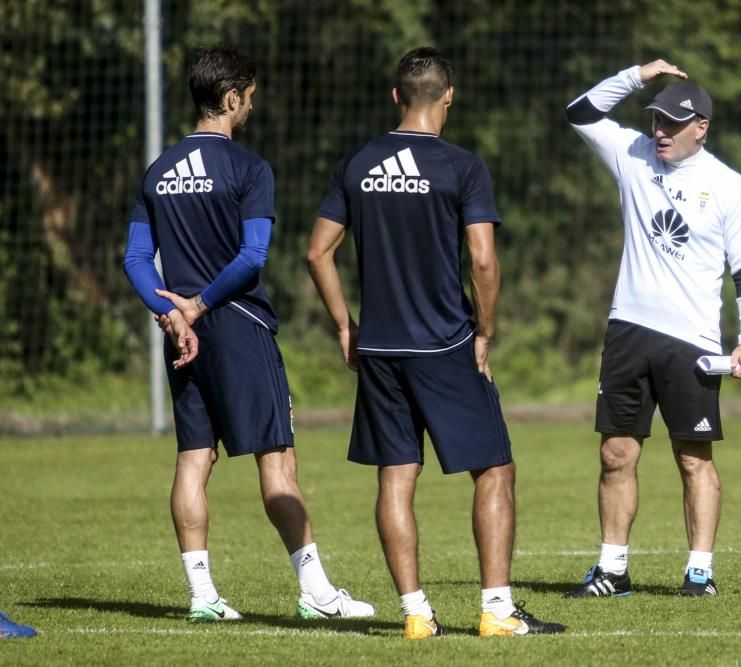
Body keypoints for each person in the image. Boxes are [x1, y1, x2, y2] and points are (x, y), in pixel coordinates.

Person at [306, 46, 565, 639]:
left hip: (380, 349)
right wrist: (486, 330)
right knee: (494, 470)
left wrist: (347, 326)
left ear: (397, 96)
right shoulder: (462, 166)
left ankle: (416, 615)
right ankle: (497, 611)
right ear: (449, 96)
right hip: (446, 344)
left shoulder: (357, 162)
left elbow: (317, 251)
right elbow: (482, 258)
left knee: (396, 476)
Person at [122, 46, 375, 622]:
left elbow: (137, 259)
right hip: (237, 325)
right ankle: (315, 591)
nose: (251, 107)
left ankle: (203, 597)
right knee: (277, 458)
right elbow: (252, 256)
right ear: (231, 98)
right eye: (250, 98)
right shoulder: (250, 169)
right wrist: (200, 304)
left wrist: (170, 313)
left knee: (193, 458)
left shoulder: (157, 171)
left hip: (180, 335)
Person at [563, 60, 741, 598]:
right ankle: (612, 570)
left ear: (702, 126)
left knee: (693, 458)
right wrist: (637, 75)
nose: (660, 132)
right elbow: (580, 112)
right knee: (615, 455)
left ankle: (699, 573)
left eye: (673, 124)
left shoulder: (729, 187)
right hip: (628, 331)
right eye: (656, 120)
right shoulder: (632, 156)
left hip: (691, 342)